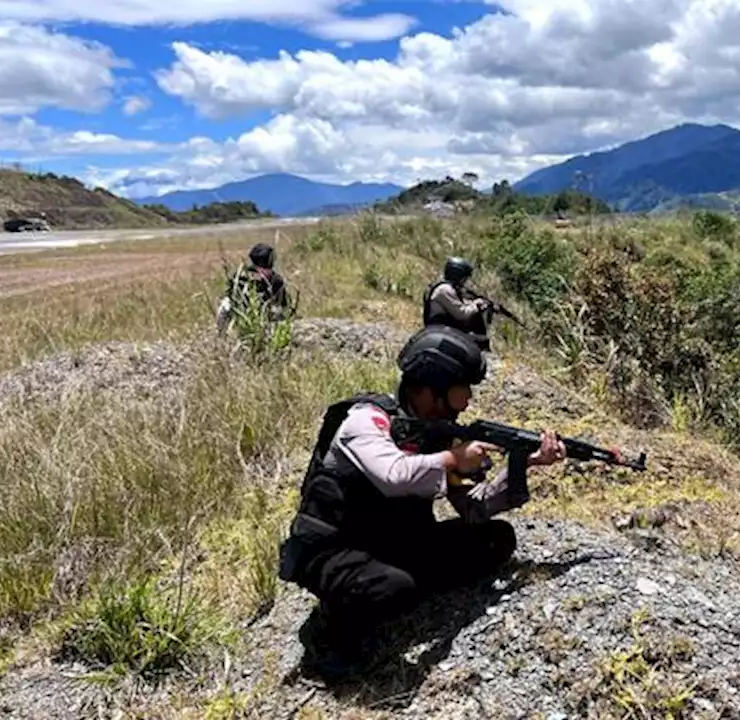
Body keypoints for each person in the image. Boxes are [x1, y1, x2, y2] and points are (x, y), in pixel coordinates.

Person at [277, 325, 567, 663]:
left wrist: (525, 463)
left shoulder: (437, 436)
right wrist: (454, 458)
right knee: (392, 588)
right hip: (334, 550)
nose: (465, 403)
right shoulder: (366, 420)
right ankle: (324, 636)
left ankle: (406, 583)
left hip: (393, 543)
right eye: (460, 393)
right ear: (428, 390)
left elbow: (474, 507)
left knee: (496, 538)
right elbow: (394, 476)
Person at [216, 243, 290, 332]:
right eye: (263, 266)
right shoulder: (241, 277)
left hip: (267, 318)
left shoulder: (276, 281)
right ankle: (223, 332)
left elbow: (284, 306)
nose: (266, 271)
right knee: (225, 304)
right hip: (242, 315)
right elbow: (231, 297)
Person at [422, 256, 493, 350]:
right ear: (458, 275)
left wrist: (476, 303)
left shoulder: (448, 288)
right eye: (464, 278)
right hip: (441, 329)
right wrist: (477, 306)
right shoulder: (445, 290)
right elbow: (461, 314)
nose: (464, 281)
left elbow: (459, 304)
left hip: (444, 328)